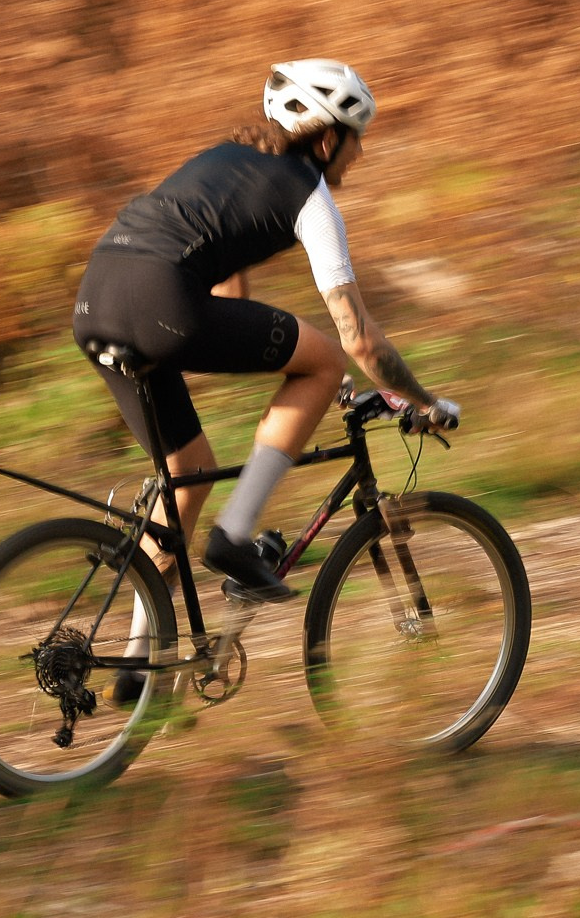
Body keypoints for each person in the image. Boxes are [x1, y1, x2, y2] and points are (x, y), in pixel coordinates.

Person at [71, 60, 457, 692]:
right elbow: (359, 337)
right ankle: (234, 535)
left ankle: (137, 673)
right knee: (329, 356)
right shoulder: (312, 197)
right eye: (358, 142)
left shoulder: (224, 159)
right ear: (330, 138)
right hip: (162, 303)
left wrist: (298, 374)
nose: (357, 159)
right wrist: (425, 400)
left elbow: (227, 290)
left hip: (96, 298)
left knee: (187, 476)